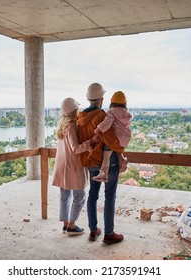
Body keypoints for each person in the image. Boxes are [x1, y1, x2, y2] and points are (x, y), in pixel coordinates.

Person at [77, 82, 125, 244]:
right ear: (102, 100)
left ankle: (93, 230)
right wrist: (121, 149)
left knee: (92, 195)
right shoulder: (103, 116)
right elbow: (111, 140)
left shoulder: (80, 117)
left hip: (91, 161)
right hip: (108, 163)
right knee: (109, 196)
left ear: (88, 98)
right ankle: (108, 233)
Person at [52, 97, 97, 236]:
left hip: (61, 166)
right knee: (79, 196)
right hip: (72, 166)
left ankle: (66, 225)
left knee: (64, 196)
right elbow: (76, 148)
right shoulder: (71, 126)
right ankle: (72, 225)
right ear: (74, 110)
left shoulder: (62, 126)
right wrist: (91, 142)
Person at [92, 91, 132, 182]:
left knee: (106, 154)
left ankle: (104, 174)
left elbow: (106, 123)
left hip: (115, 139)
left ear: (112, 102)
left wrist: (98, 130)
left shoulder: (112, 111)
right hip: (125, 140)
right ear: (124, 103)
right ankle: (121, 159)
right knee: (115, 147)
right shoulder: (127, 114)